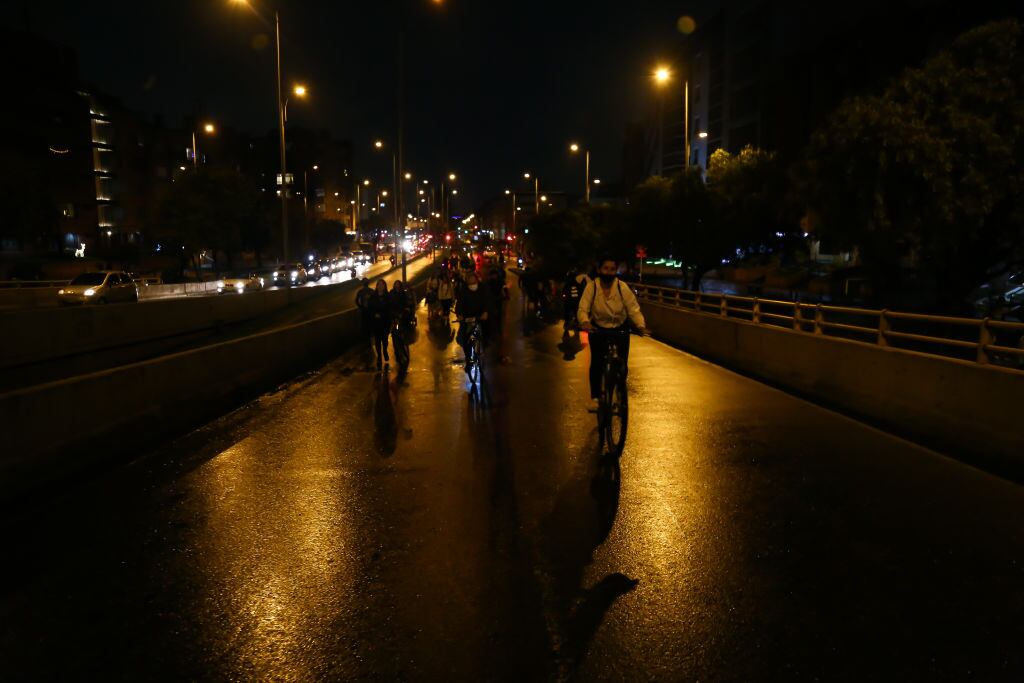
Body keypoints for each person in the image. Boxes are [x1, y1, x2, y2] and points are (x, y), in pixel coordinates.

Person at [578, 256, 647, 412]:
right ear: (599, 270)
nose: (608, 272)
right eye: (605, 269)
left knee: (622, 366)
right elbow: (583, 309)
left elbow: (633, 309)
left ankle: (618, 394)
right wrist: (585, 322)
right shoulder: (592, 287)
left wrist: (640, 325)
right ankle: (596, 397)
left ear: (615, 271)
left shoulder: (622, 288)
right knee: (596, 363)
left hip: (620, 329)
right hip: (598, 329)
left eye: (612, 269)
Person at [455, 272, 490, 373]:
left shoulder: (483, 288)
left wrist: (486, 311)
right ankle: (468, 360)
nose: (471, 282)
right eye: (469, 280)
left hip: (481, 315)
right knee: (466, 338)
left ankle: (485, 346)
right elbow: (460, 303)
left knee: (488, 329)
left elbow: (487, 300)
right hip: (468, 317)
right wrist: (460, 315)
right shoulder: (463, 290)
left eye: (473, 280)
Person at [368, 280, 392, 369]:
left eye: (382, 285)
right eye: (379, 285)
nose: (380, 286)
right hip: (376, 322)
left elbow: (389, 308)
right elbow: (369, 308)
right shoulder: (373, 297)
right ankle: (379, 356)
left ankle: (385, 351)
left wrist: (383, 315)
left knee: (385, 340)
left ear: (385, 286)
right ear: (377, 286)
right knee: (377, 340)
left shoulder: (388, 296)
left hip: (385, 322)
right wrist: (374, 314)